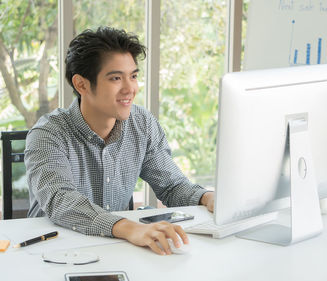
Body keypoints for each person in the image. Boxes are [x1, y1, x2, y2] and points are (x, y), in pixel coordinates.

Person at [25, 26, 214, 255]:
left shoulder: (141, 123)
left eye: (133, 76)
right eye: (116, 78)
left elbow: (172, 185)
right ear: (81, 84)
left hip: (116, 248)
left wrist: (207, 197)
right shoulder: (48, 134)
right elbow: (60, 199)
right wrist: (129, 228)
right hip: (52, 251)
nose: (130, 89)